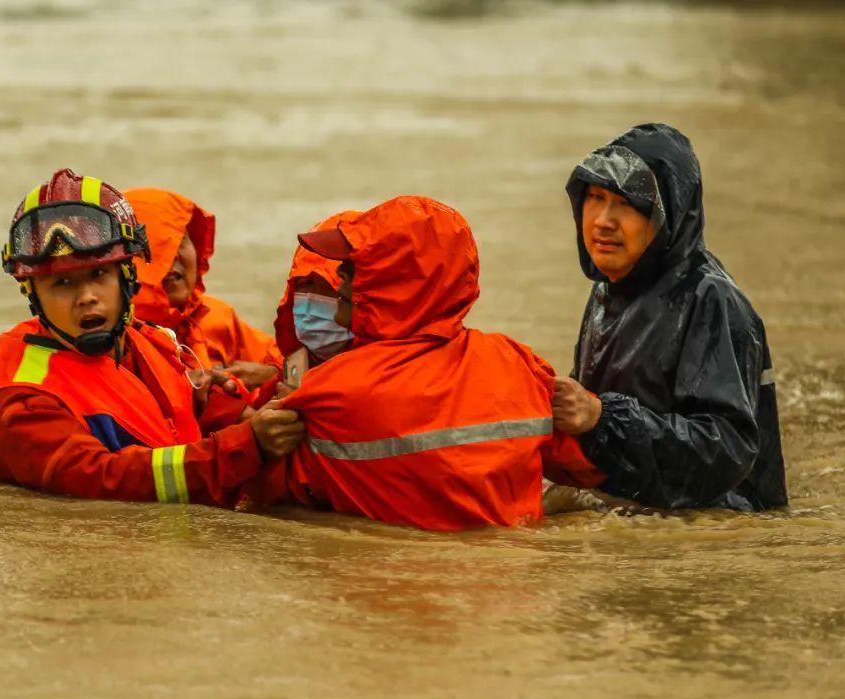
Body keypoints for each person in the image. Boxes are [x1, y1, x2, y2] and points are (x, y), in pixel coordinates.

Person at [0, 169, 304, 505]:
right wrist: (247, 444)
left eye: (98, 276)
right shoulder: (19, 400)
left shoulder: (149, 342)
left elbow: (186, 410)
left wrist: (260, 407)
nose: (86, 297)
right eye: (62, 283)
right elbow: (103, 480)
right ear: (33, 296)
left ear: (128, 278)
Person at [254, 195, 604, 531]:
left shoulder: (330, 393)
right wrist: (597, 414)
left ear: (392, 282)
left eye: (352, 266)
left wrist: (249, 428)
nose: (341, 277)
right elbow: (587, 470)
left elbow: (251, 491)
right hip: (513, 580)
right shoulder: (518, 363)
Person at [552, 124, 787, 511]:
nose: (603, 221)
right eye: (595, 197)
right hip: (636, 511)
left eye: (627, 203)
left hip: (723, 527)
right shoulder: (608, 289)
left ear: (671, 214)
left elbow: (728, 448)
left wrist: (600, 417)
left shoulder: (712, 299)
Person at [121, 188, 283, 398]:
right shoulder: (117, 341)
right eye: (162, 246)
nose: (175, 256)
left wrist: (273, 373)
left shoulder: (215, 315)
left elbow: (292, 360)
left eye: (182, 241)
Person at [273, 210, 359, 384]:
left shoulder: (376, 375)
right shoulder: (293, 374)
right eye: (302, 285)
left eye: (328, 286)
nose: (309, 300)